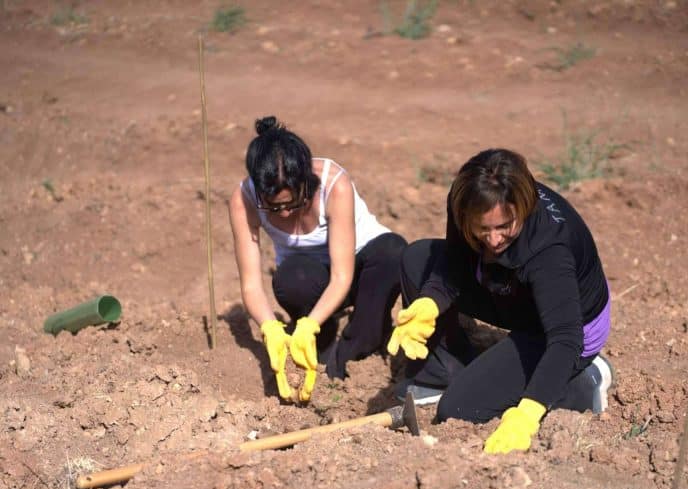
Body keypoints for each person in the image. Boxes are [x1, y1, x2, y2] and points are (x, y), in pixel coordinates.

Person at [387, 148, 614, 454]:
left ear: (522, 207)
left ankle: (581, 383)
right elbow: (455, 262)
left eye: (504, 227)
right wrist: (429, 303)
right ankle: (442, 373)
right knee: (418, 259)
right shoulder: (467, 199)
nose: (493, 240)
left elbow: (565, 338)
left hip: (567, 330)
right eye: (483, 229)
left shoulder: (550, 249)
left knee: (460, 408)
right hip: (515, 291)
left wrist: (528, 414)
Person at [229, 116, 406, 402]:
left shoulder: (333, 184)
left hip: (357, 270)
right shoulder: (244, 199)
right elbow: (250, 285)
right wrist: (270, 328)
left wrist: (308, 325)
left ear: (306, 183)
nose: (284, 214)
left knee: (393, 252)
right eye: (274, 207)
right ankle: (322, 347)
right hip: (311, 278)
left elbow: (342, 276)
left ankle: (356, 352)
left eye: (292, 203)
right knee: (291, 279)